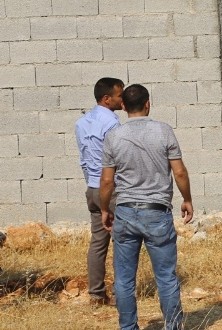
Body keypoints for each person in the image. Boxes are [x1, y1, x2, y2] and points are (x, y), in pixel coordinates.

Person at [100, 84, 193, 330]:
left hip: (126, 211)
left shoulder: (113, 136)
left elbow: (107, 181)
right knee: (166, 277)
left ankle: (128, 327)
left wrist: (105, 209)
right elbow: (179, 172)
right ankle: (173, 326)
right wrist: (187, 199)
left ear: (122, 106)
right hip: (157, 211)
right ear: (148, 104)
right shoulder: (164, 131)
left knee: (124, 279)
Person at [74, 77, 124, 305]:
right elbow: (118, 158)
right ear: (106, 99)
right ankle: (121, 294)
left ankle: (96, 294)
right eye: (119, 95)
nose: (122, 99)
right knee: (121, 241)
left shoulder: (82, 122)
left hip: (92, 188)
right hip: (110, 189)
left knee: (98, 242)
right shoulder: (112, 123)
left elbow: (85, 158)